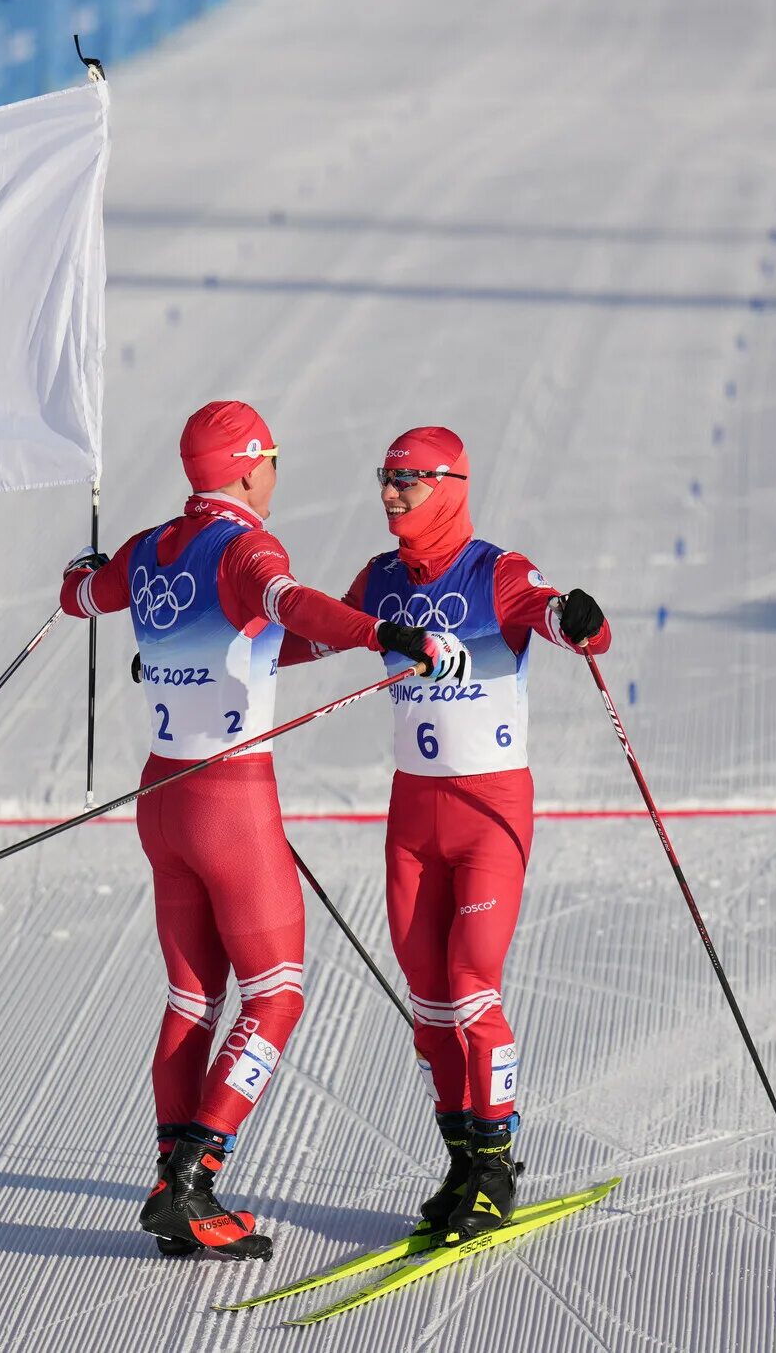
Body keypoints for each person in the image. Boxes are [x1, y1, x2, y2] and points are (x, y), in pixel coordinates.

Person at [58, 401, 462, 1260]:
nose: (278, 471)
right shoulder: (247, 547)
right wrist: (382, 631)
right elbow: (292, 604)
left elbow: (78, 596)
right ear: (245, 468)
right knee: (275, 995)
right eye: (272, 457)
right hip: (228, 801)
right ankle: (194, 1177)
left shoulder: (147, 547)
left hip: (161, 794)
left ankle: (177, 1185)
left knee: (191, 1000)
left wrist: (89, 569)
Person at [279, 425, 611, 1241]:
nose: (391, 493)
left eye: (409, 481)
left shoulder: (494, 569)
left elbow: (565, 621)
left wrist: (579, 618)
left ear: (451, 483)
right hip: (412, 817)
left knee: (471, 984)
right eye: (385, 479)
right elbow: (306, 638)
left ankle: (499, 1164)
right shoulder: (381, 579)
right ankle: (462, 1160)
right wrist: (219, 657)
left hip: (489, 811)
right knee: (428, 1002)